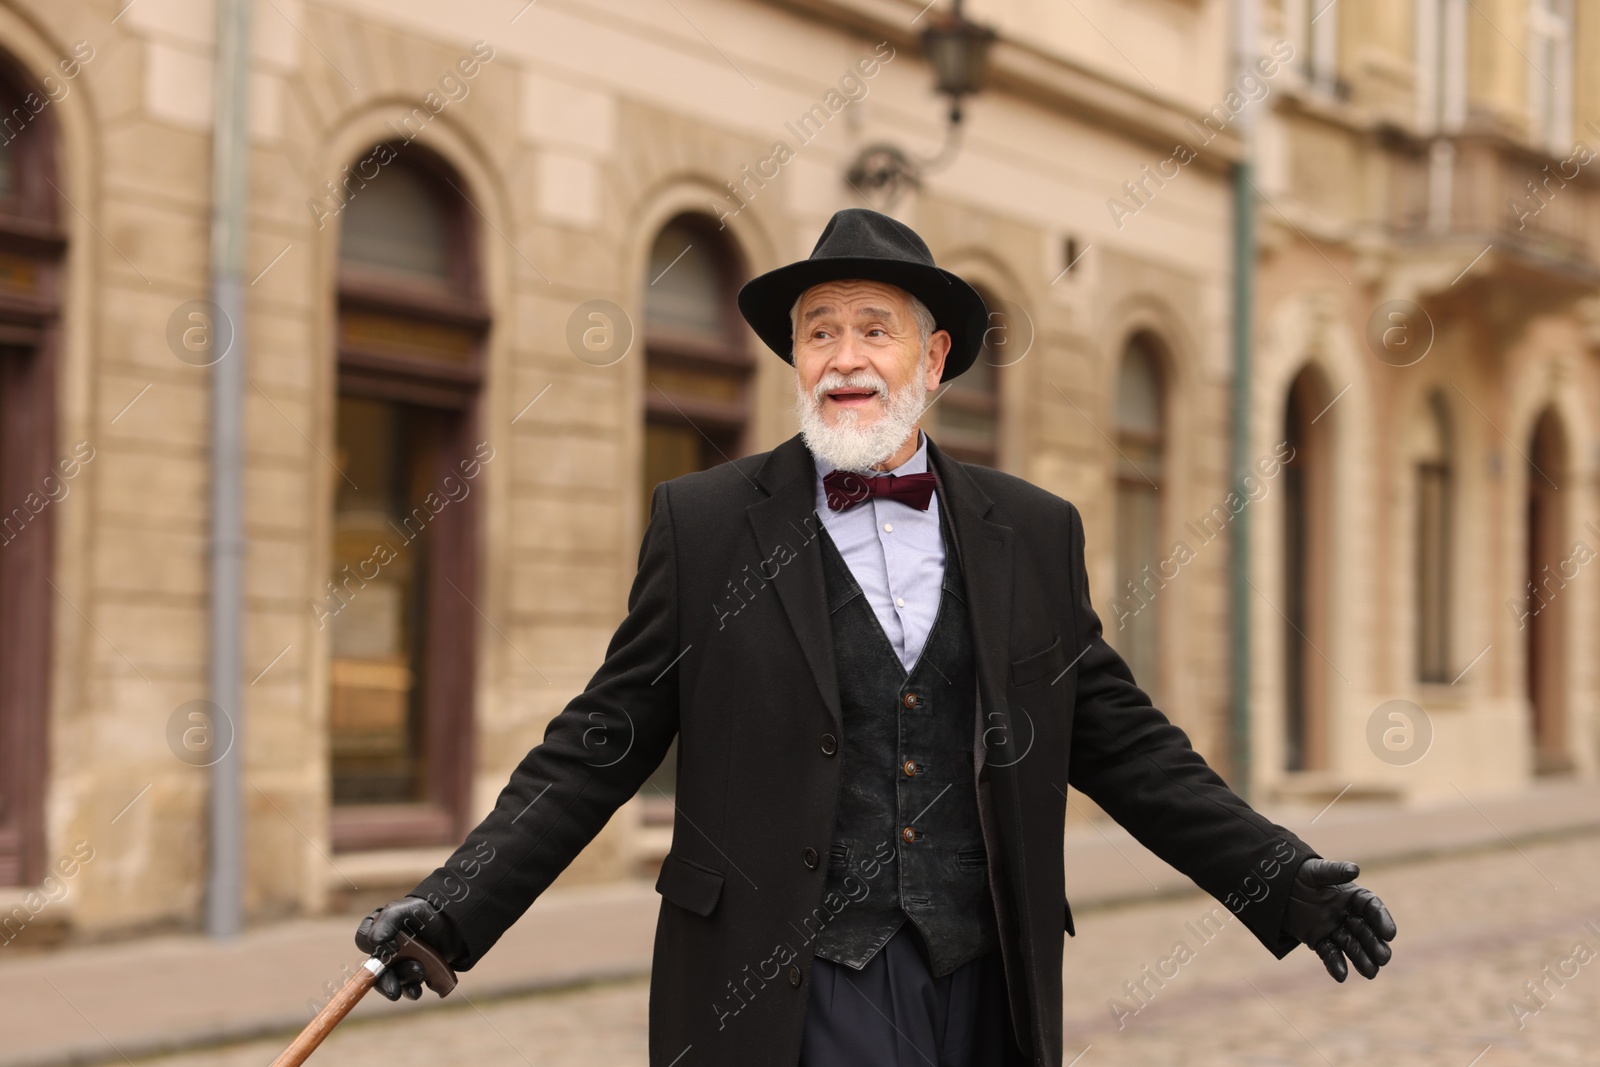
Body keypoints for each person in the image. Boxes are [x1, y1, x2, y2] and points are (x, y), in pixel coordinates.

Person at [354, 208, 1396, 1067]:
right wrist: (451, 906)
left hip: (982, 974)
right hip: (788, 982)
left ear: (932, 356)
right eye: (818, 332)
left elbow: (1125, 743)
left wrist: (1281, 876)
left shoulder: (1031, 532)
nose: (843, 359)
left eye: (871, 328)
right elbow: (599, 740)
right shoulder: (707, 524)